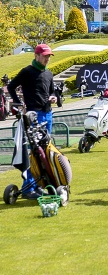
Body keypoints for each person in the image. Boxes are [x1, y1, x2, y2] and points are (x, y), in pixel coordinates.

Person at [7, 44, 57, 199]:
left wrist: (54, 97)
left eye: (49, 56)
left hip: (48, 114)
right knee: (35, 152)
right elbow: (11, 87)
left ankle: (39, 184)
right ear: (36, 56)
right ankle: (28, 188)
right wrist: (19, 103)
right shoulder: (27, 72)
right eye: (45, 56)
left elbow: (52, 91)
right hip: (34, 115)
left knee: (45, 152)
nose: (47, 58)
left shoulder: (48, 73)